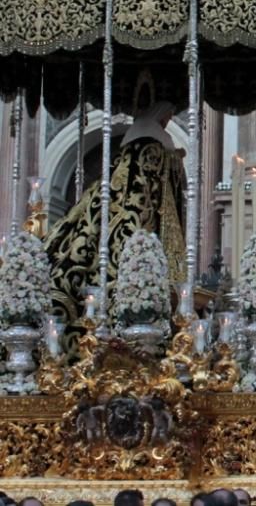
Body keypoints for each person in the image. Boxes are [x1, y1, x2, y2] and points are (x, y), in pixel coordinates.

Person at [46, 101, 186, 351]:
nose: (166, 124)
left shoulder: (121, 163)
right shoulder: (154, 147)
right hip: (134, 230)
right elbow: (159, 193)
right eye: (165, 120)